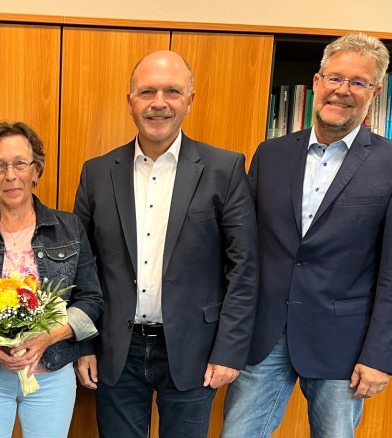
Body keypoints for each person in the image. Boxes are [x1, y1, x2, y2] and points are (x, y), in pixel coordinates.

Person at [222, 32, 392, 438]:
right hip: (265, 334)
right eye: (335, 78)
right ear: (316, 82)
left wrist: (381, 355)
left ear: (375, 92)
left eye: (358, 82)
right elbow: (241, 247)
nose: (343, 91)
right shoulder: (271, 154)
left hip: (344, 346)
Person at [73, 50, 258, 437]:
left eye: (172, 91)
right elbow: (81, 269)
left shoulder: (224, 169)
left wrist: (228, 351)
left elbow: (244, 269)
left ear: (190, 100)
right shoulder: (97, 172)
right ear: (130, 102)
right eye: (147, 92)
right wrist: (84, 346)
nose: (159, 103)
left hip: (196, 349)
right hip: (115, 350)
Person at [0, 121, 103, 438]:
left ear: (36, 171)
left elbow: (91, 299)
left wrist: (49, 336)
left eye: (20, 164)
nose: (10, 175)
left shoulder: (70, 229)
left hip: (52, 374)